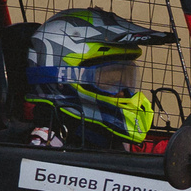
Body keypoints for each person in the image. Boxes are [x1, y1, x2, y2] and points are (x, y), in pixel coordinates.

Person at [23, 8, 178, 150]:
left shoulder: (101, 131)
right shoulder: (47, 146)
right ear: (63, 80)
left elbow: (140, 153)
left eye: (126, 81)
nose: (123, 93)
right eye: (109, 83)